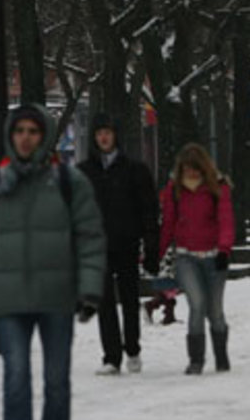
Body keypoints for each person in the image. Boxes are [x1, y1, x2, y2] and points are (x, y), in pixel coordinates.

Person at [0, 104, 105, 420]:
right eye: (19, 131)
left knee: (56, 382)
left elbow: (90, 237)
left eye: (33, 131)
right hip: (9, 298)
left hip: (56, 296)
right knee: (15, 379)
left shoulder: (69, 182)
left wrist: (90, 289)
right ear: (9, 136)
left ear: (43, 136)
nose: (25, 138)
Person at [77, 114, 161, 376]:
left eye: (108, 133)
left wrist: (150, 247)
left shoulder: (134, 170)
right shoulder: (84, 172)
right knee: (104, 302)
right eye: (99, 133)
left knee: (129, 299)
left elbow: (148, 210)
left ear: (116, 136)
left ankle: (133, 349)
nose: (103, 137)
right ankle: (111, 356)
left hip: (127, 243)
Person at [159, 143, 235, 375]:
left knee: (215, 311)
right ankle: (196, 359)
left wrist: (224, 250)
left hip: (213, 256)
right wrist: (158, 252)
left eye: (195, 169)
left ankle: (221, 356)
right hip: (186, 257)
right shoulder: (174, 190)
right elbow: (169, 223)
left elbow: (225, 220)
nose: (191, 174)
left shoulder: (217, 188)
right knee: (197, 304)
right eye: (187, 169)